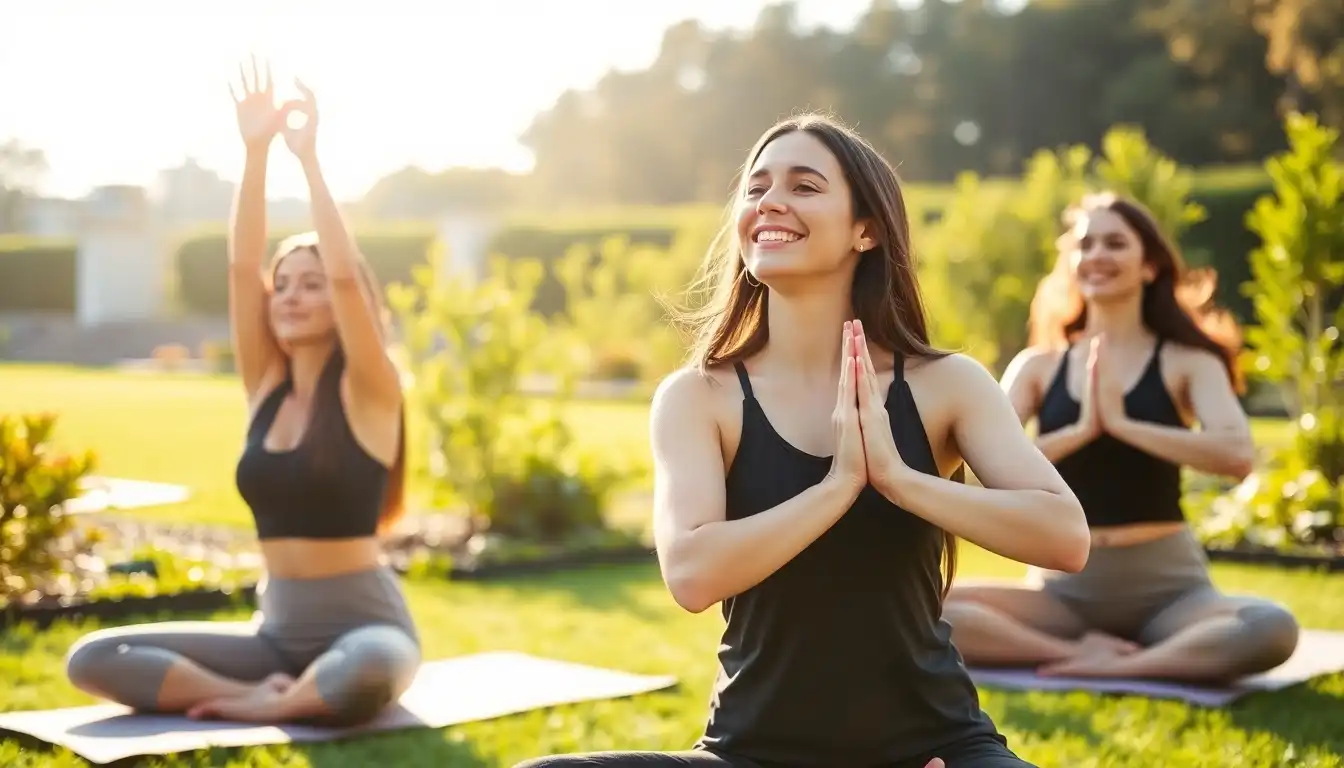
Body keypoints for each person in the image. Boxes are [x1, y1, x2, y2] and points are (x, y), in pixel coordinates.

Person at [513, 115, 1090, 768]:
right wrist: (838, 486)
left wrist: (901, 479)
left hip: (935, 750)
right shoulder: (700, 398)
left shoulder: (946, 384)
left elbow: (1063, 536)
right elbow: (693, 573)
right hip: (751, 755)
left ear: (865, 230)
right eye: (756, 188)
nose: (770, 203)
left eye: (804, 186)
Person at [63, 58, 421, 727]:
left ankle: (256, 704)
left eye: (310, 284)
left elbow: (348, 278)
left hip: (365, 631)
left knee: (369, 670)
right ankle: (266, 698)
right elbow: (240, 267)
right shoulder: (265, 387)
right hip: (275, 635)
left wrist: (308, 162)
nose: (290, 296)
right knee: (94, 657)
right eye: (284, 284)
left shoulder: (372, 390)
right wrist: (254, 153)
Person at [941, 193, 1301, 683]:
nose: (1097, 256)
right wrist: (1079, 432)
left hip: (1171, 593)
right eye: (1085, 244)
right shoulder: (1038, 366)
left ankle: (1124, 663)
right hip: (1061, 593)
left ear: (1149, 266)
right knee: (927, 610)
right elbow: (981, 478)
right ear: (1070, 262)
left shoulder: (1187, 361)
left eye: (1115, 243)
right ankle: (1077, 653)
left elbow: (1236, 455)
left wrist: (1125, 425)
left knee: (1271, 627)